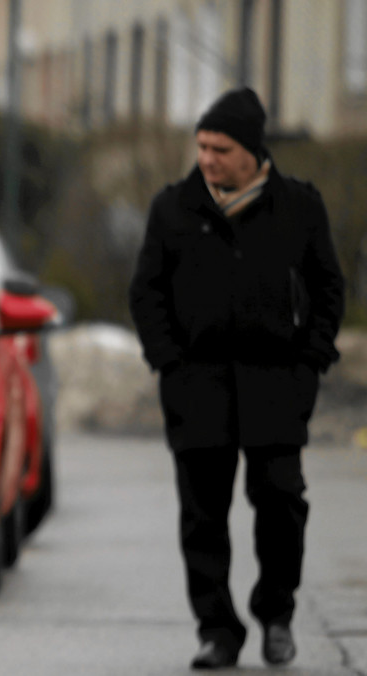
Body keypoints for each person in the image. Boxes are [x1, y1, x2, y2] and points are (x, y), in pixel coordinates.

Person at [129, 87, 345, 670]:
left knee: (281, 504)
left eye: (221, 148)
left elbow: (329, 289)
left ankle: (277, 615)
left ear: (252, 151)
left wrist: (311, 360)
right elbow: (146, 292)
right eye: (201, 146)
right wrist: (169, 361)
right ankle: (217, 631)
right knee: (202, 516)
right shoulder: (173, 208)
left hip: (276, 386)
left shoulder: (298, 206)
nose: (208, 158)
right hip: (196, 388)